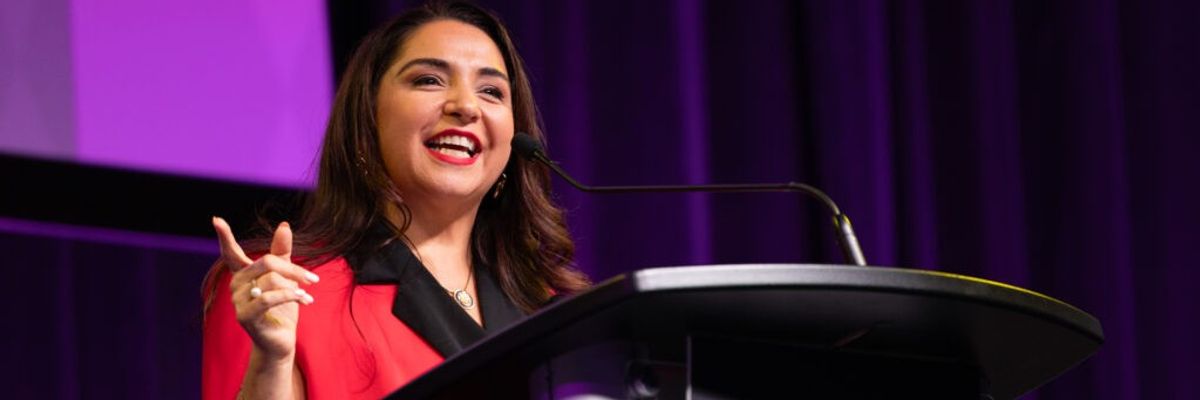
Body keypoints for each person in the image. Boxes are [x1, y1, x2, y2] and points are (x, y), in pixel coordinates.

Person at [201, 2, 589, 398]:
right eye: (429, 80)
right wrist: (271, 363)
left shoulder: (553, 315)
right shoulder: (279, 289)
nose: (466, 106)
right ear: (368, 118)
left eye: (491, 91)